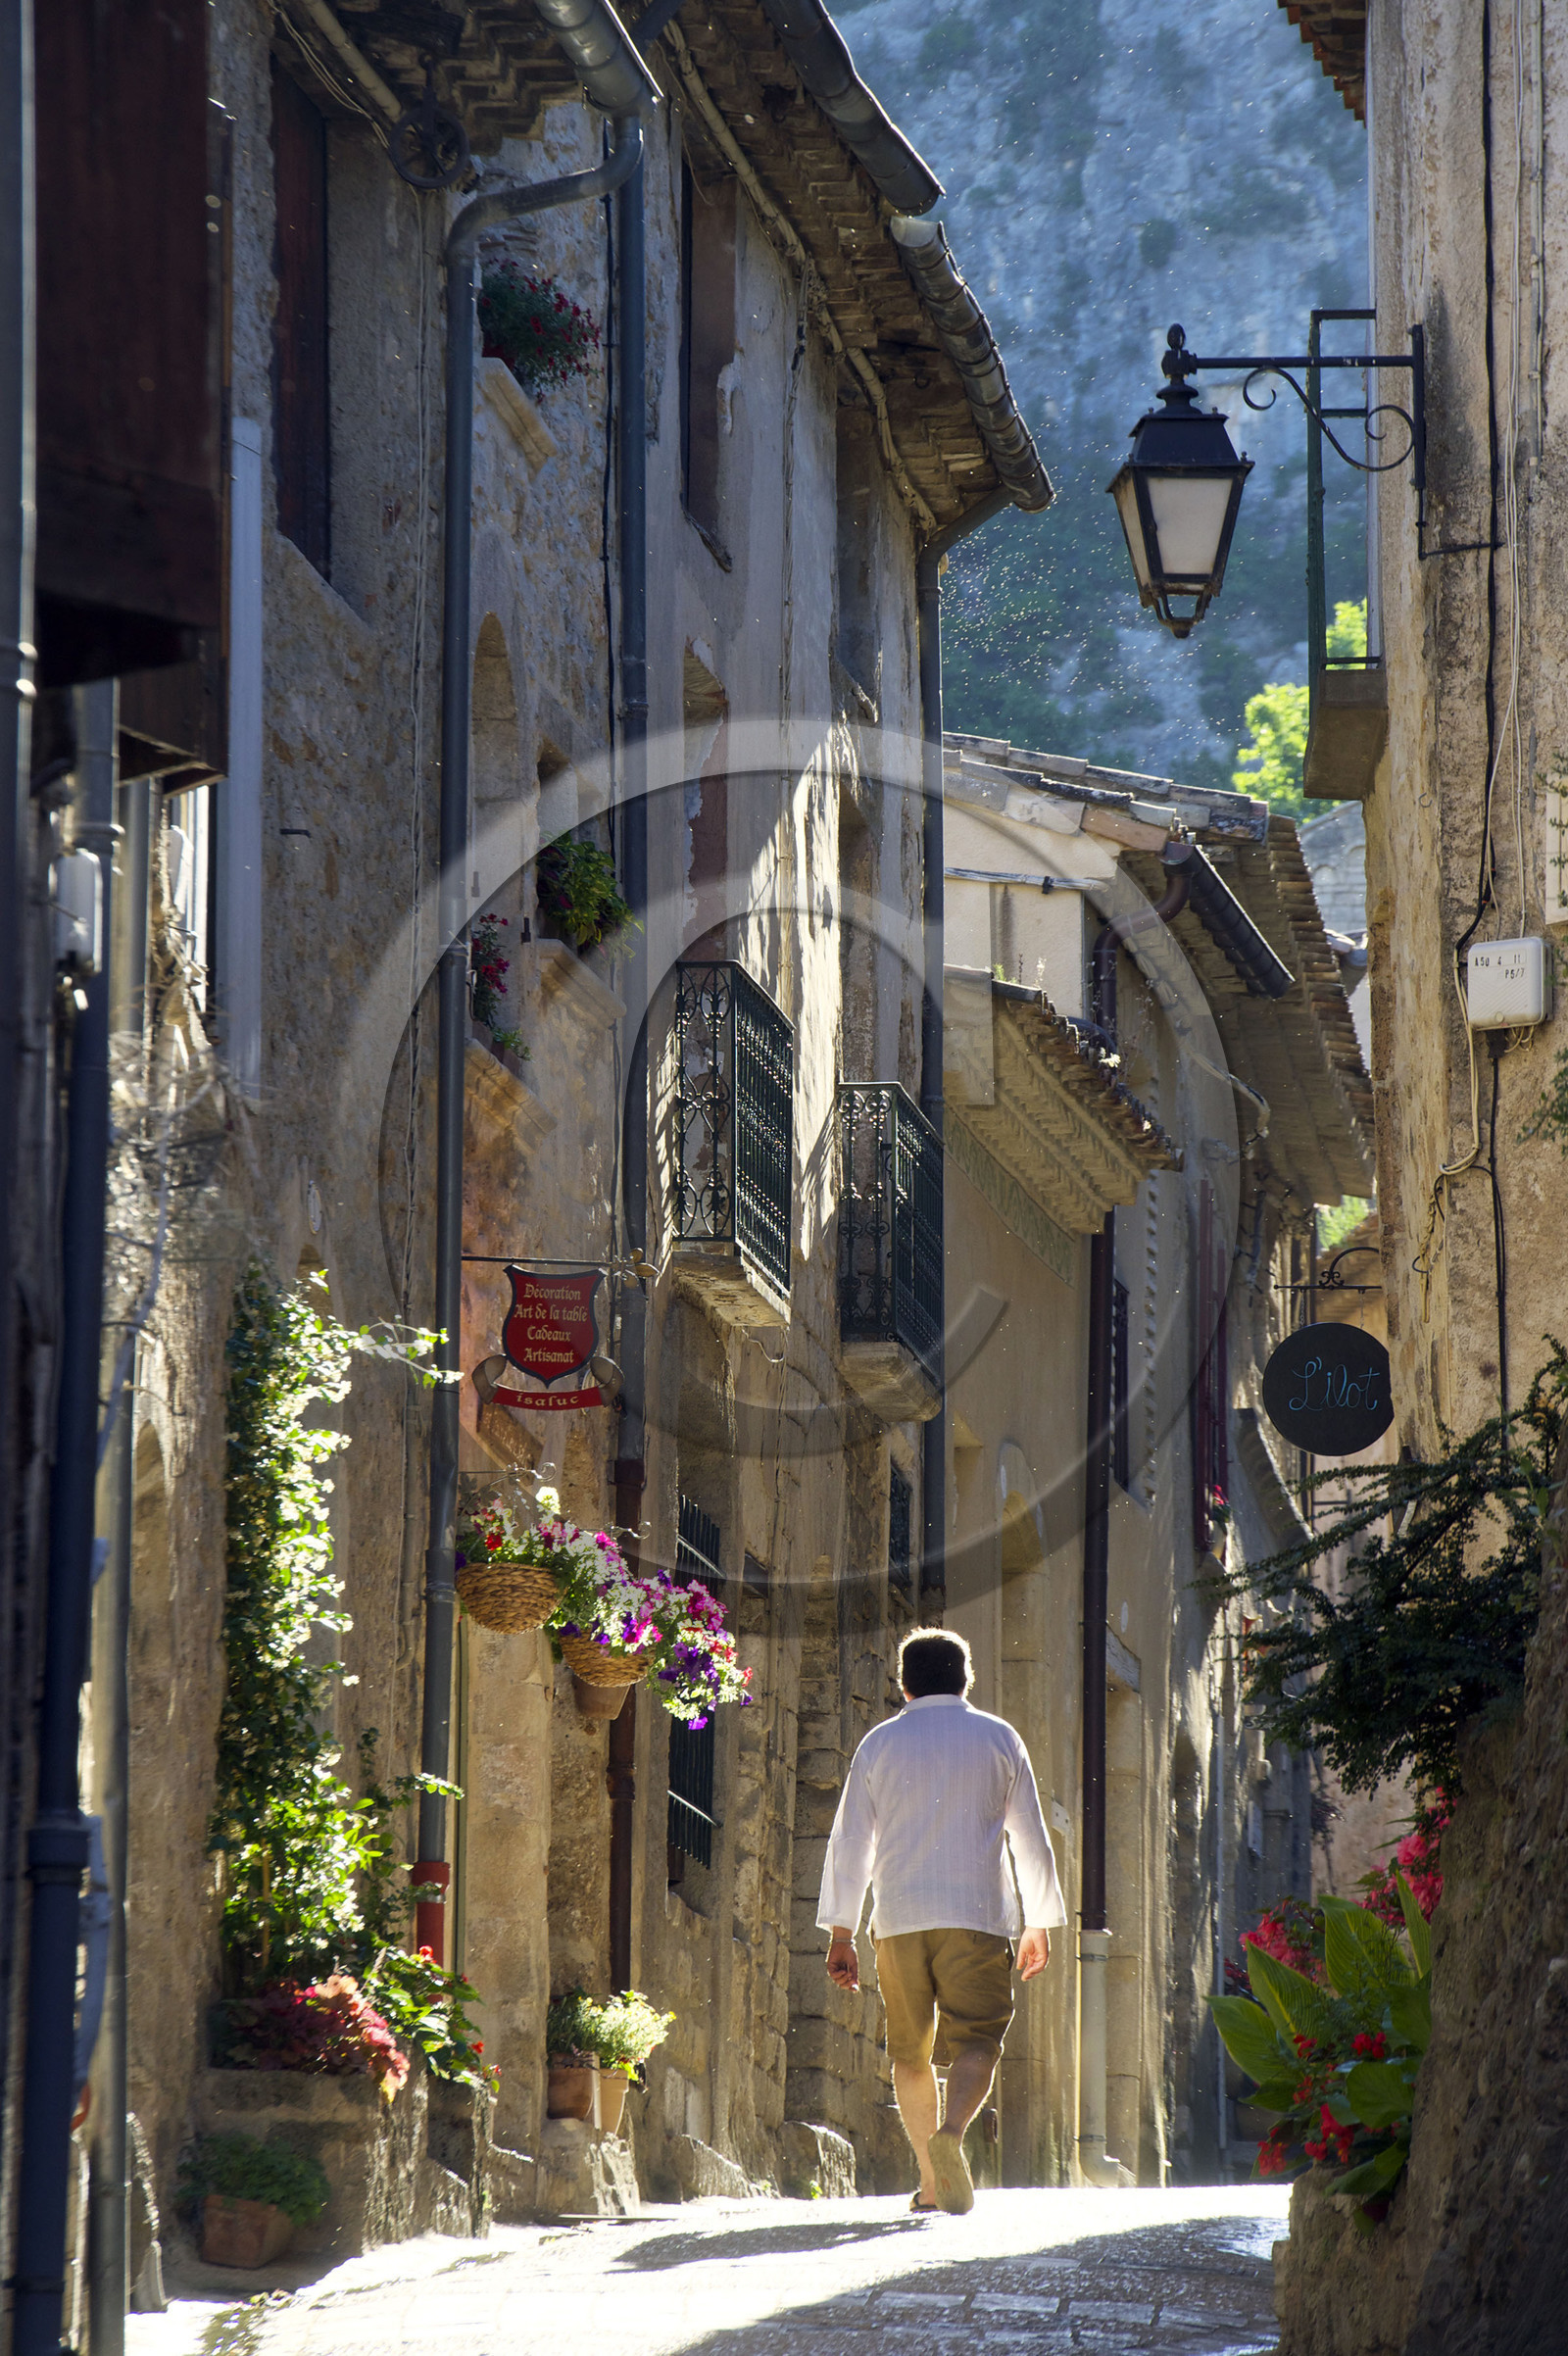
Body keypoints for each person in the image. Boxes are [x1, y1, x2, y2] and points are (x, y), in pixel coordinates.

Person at [816, 1626, 1065, 2215]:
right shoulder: (1000, 1738)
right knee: (978, 2040)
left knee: (909, 2053)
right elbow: (1029, 1837)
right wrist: (1039, 1921)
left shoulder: (878, 1744)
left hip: (898, 1919)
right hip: (976, 1916)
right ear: (966, 1679)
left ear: (903, 1685)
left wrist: (841, 1932)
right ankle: (952, 2132)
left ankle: (931, 2180)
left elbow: (851, 1841)